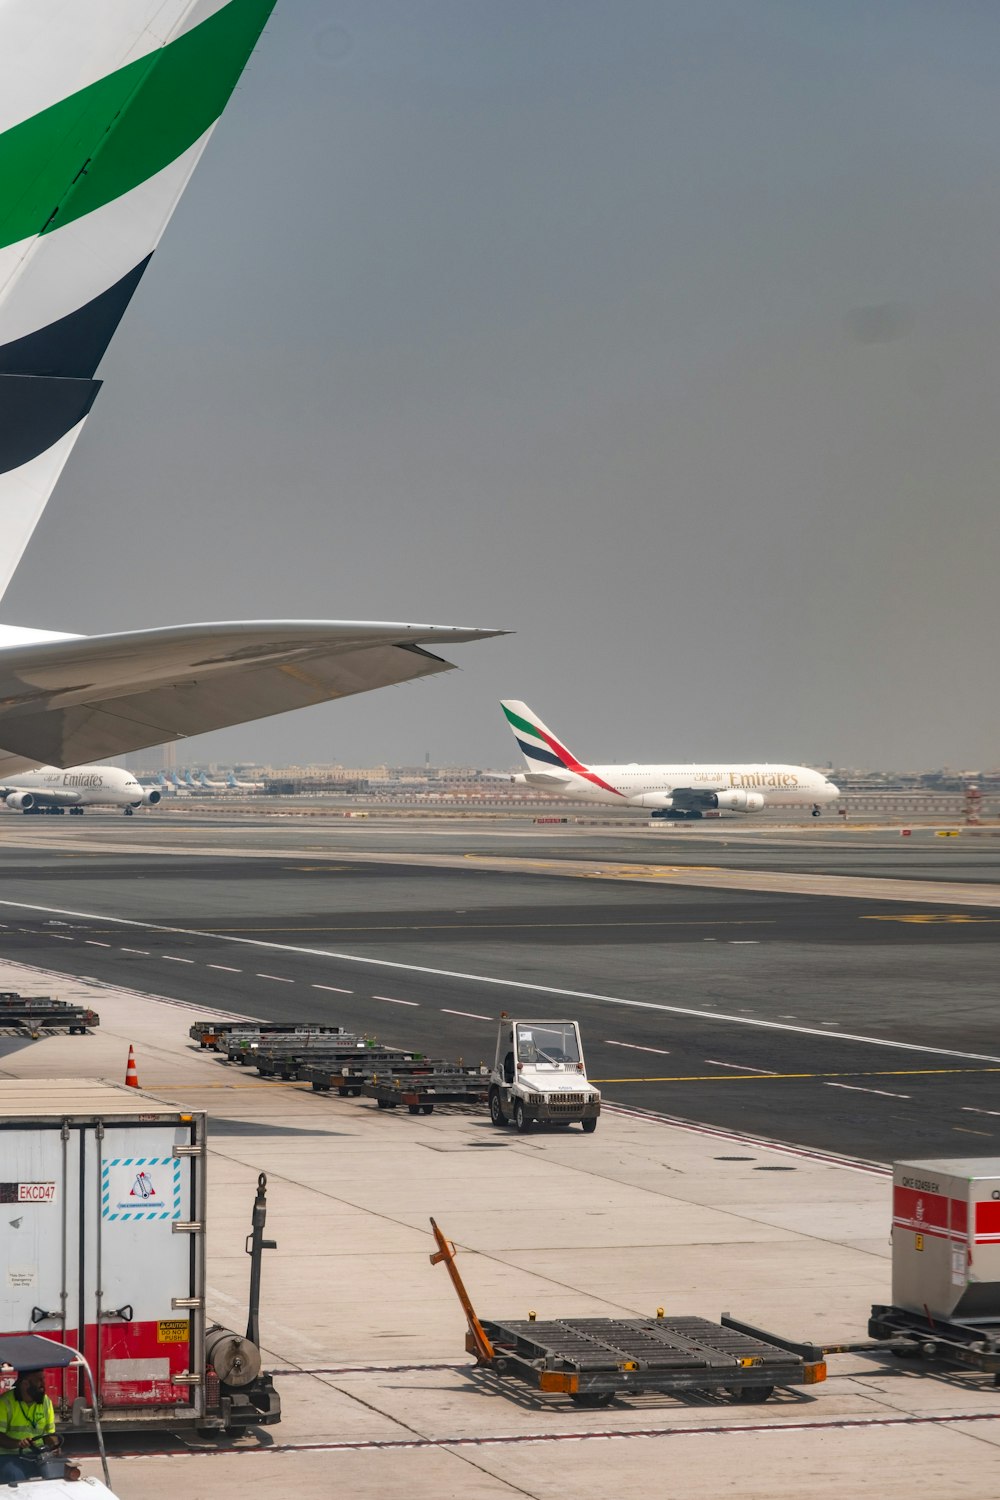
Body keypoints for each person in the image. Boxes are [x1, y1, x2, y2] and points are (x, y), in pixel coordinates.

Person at [0, 1370, 64, 1484]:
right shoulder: (5, 1402)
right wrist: (18, 1443)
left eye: (43, 1379)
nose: (43, 1384)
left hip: (38, 1454)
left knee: (62, 1473)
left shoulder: (46, 1402)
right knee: (16, 1477)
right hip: (9, 1455)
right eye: (39, 1380)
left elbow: (50, 1434)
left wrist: (54, 1446)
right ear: (25, 1384)